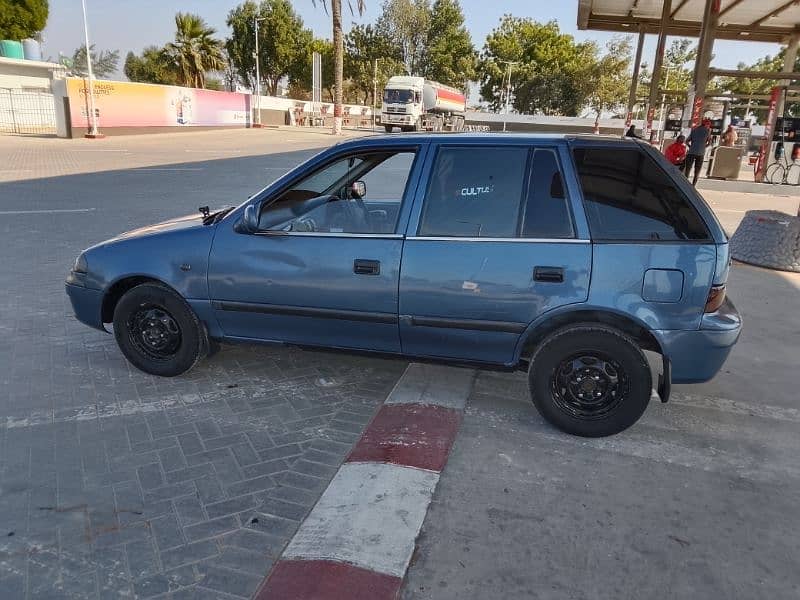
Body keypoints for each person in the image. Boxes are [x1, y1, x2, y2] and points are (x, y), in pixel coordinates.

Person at [683, 119, 711, 185]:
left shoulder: (694, 130)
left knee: (688, 169)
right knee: (697, 170)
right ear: (707, 125)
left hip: (691, 152)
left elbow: (687, 141)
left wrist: (691, 146)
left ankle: (685, 183)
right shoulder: (707, 131)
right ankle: (694, 185)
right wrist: (704, 147)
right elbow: (709, 143)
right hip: (700, 153)